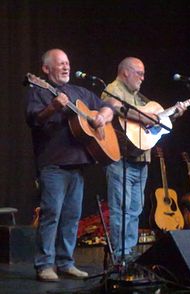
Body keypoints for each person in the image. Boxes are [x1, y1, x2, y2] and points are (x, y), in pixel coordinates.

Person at [25, 49, 114, 281]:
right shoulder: (39, 90)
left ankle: (66, 262)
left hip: (78, 165)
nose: (66, 67)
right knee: (51, 214)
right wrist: (53, 106)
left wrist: (102, 117)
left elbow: (109, 105)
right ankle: (45, 265)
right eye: (60, 64)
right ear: (45, 69)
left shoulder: (79, 91)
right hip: (53, 164)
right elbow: (34, 120)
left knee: (72, 216)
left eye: (67, 63)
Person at [101, 57, 186, 262]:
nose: (143, 77)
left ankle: (128, 254)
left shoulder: (140, 97)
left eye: (144, 73)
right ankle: (120, 256)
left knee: (135, 210)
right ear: (125, 72)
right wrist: (145, 118)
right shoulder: (112, 89)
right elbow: (114, 107)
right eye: (139, 72)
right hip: (120, 159)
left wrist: (172, 115)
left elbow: (153, 126)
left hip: (141, 159)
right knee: (121, 209)